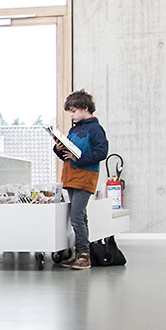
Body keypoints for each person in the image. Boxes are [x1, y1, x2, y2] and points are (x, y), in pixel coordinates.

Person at [51, 89, 110, 270]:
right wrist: (59, 148)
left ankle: (84, 256)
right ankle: (81, 254)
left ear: (85, 108)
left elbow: (101, 152)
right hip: (71, 177)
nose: (71, 115)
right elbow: (68, 155)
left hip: (85, 177)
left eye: (74, 111)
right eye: (70, 111)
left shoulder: (95, 129)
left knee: (77, 216)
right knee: (79, 216)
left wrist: (79, 158)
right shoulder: (74, 129)